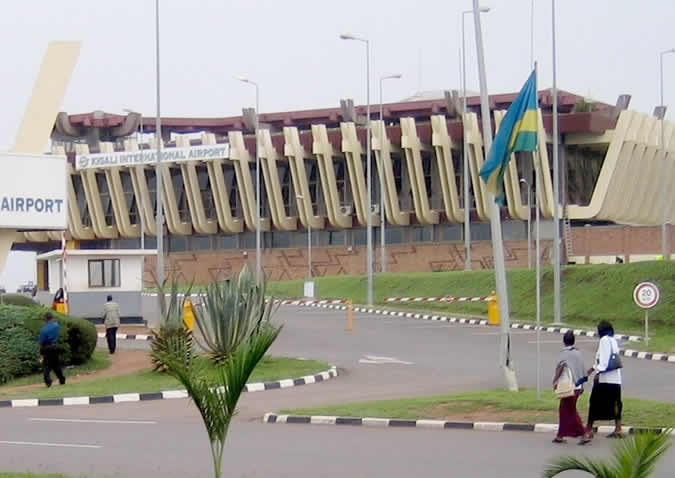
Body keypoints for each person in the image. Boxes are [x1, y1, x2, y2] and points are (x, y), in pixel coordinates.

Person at [581, 320, 623, 444]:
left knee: (594, 403)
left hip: (605, 379)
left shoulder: (604, 340)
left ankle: (588, 430)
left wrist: (597, 373)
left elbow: (603, 362)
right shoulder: (613, 340)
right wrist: (591, 369)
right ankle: (618, 428)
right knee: (616, 403)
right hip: (616, 379)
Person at [551, 330, 587, 444]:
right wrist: (582, 385)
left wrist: (555, 380)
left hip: (567, 386)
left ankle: (584, 434)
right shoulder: (578, 353)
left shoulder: (563, 354)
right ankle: (560, 435)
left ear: (564, 341)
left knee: (570, 411)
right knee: (564, 410)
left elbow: (560, 368)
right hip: (577, 386)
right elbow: (581, 370)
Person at [38, 312, 66, 387]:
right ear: (52, 318)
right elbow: (56, 323)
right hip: (54, 347)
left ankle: (48, 381)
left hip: (46, 348)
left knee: (46, 366)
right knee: (56, 365)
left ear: (45, 319)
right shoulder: (56, 326)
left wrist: (40, 352)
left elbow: (41, 342)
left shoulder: (43, 330)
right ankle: (62, 379)